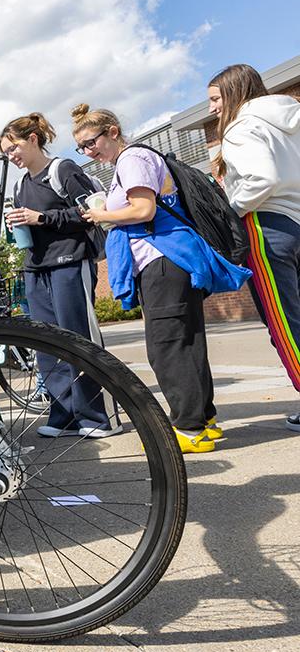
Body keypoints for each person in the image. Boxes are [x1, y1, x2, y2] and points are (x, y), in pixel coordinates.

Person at [72, 104, 251, 453]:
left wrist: (102, 215)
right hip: (175, 259)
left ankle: (189, 428)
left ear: (112, 131)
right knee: (187, 343)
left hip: (162, 259)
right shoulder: (136, 158)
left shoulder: (132, 159)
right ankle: (203, 420)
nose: (88, 151)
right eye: (82, 147)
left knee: (167, 347)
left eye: (91, 142)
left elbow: (143, 210)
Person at [0, 112, 117, 438]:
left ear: (33, 139)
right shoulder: (21, 184)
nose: (12, 156)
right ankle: (63, 415)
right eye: (6, 153)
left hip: (70, 262)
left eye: (14, 148)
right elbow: (34, 222)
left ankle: (96, 417)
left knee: (78, 338)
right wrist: (20, 224)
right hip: (36, 267)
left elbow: (90, 212)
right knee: (46, 343)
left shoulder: (61, 169)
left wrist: (42, 218)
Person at [208, 64, 300, 431]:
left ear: (234, 93)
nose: (213, 108)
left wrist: (231, 209)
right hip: (296, 221)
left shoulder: (240, 128)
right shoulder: (289, 120)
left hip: (265, 226)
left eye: (216, 99)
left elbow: (263, 177)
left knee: (286, 323)